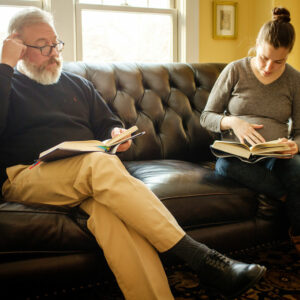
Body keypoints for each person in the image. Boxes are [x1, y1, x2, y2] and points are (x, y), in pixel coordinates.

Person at [0, 7, 266, 300]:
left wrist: (116, 135)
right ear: (19, 47)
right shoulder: (8, 83)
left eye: (56, 43)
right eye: (42, 46)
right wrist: (5, 64)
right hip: (28, 175)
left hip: (82, 177)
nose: (53, 52)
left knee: (113, 220)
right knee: (98, 164)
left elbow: (108, 122)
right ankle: (202, 258)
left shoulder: (78, 84)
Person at [200, 7, 300, 252]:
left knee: (298, 168)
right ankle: (287, 199)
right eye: (264, 57)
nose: (268, 67)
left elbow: (299, 130)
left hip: (274, 156)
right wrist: (234, 122)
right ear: (257, 44)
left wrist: (295, 144)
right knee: (225, 165)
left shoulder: (295, 80)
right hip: (238, 155)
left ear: (288, 55)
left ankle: (298, 232)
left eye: (279, 61)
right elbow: (206, 117)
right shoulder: (235, 70)